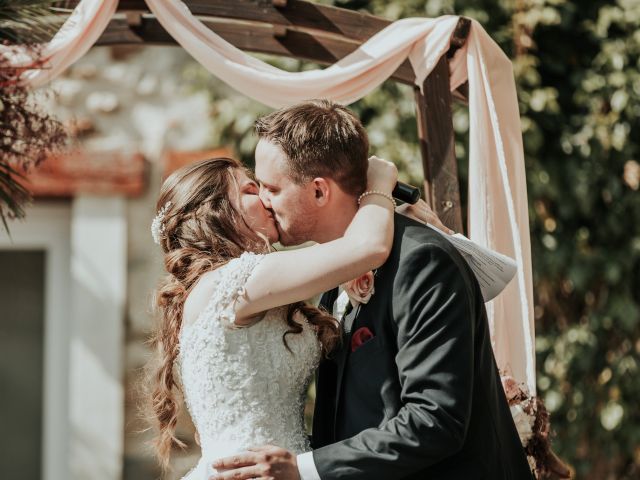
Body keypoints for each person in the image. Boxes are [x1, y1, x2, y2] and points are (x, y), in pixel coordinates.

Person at [209, 100, 534, 480]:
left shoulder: (421, 260)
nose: (263, 199)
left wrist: (303, 469)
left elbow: (435, 418)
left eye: (271, 187)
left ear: (318, 192)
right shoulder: (333, 274)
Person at [147, 154, 400, 479]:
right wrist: (380, 184)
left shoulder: (231, 287)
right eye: (251, 190)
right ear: (218, 210)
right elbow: (370, 245)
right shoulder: (231, 281)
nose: (266, 198)